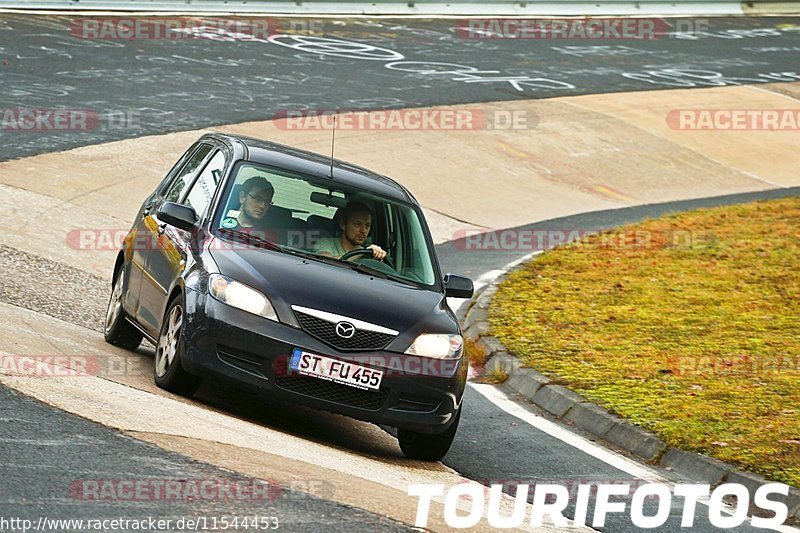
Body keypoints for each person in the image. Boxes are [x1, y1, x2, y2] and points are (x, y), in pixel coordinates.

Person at [315, 201, 387, 261]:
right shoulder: (326, 243)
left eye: (367, 225)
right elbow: (325, 261)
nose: (363, 230)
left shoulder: (368, 253)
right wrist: (361, 254)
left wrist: (378, 255)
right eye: (357, 224)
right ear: (343, 225)